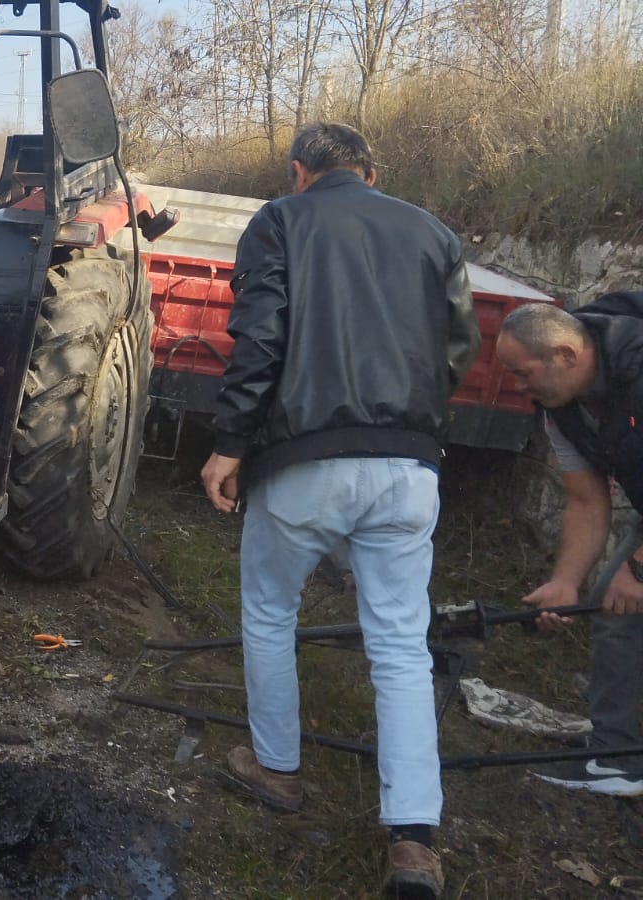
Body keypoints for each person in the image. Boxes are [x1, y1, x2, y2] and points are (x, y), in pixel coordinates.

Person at [199, 122, 479, 899]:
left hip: (305, 459)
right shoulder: (435, 233)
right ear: (371, 172)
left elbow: (260, 339)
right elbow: (457, 349)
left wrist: (229, 443)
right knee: (401, 646)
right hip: (409, 467)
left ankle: (276, 769)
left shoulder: (280, 221)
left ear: (299, 171)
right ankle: (414, 842)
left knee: (269, 611)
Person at [500, 297, 643, 795]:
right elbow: (586, 500)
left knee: (626, 596)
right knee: (614, 609)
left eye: (523, 374)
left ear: (566, 355)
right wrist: (565, 582)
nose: (518, 388)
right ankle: (616, 757)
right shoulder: (560, 408)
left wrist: (639, 569)